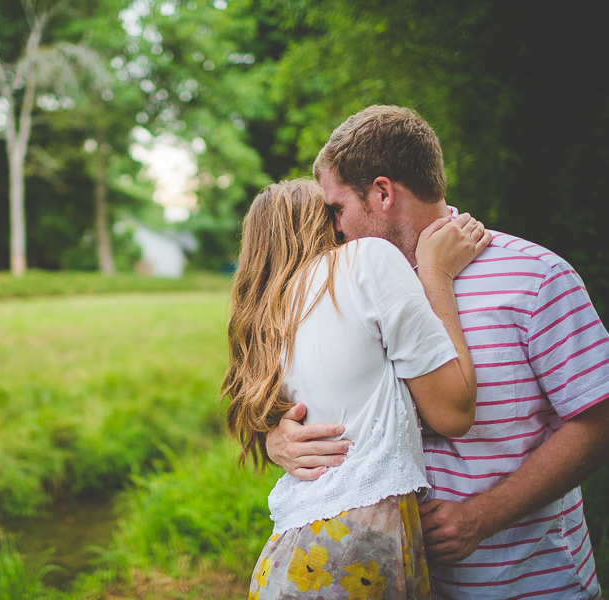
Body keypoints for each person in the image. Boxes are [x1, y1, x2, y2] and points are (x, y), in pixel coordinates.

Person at [266, 105, 609, 599]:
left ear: (383, 193)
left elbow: (597, 419)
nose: (333, 229)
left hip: (529, 584)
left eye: (338, 208)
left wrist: (481, 517)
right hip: (402, 582)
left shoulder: (536, 278)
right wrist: (282, 438)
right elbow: (313, 395)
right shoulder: (342, 288)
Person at [223, 178, 490, 599]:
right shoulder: (364, 261)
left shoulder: (272, 317)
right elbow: (453, 411)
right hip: (351, 551)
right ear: (325, 221)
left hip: (299, 554)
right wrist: (436, 272)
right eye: (335, 209)